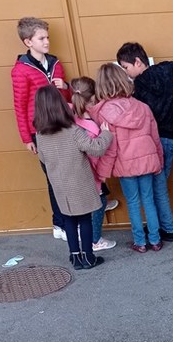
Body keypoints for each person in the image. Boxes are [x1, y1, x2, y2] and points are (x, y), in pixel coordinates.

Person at [33, 86, 113, 270]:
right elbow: (95, 148)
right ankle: (88, 257)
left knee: (68, 220)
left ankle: (75, 257)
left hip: (59, 185)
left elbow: (43, 159)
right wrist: (106, 134)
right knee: (84, 219)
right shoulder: (72, 130)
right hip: (78, 182)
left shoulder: (40, 135)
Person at [91, 64, 164, 253]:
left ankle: (140, 242)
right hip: (147, 162)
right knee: (149, 200)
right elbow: (155, 137)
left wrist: (102, 172)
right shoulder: (142, 107)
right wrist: (159, 161)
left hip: (125, 165)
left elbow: (110, 148)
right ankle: (155, 240)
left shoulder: (104, 113)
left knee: (133, 203)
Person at [11, 16, 71, 241]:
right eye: (41, 38)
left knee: (68, 174)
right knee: (54, 178)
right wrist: (27, 138)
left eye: (47, 37)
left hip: (63, 126)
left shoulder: (55, 63)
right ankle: (60, 224)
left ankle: (70, 220)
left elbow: (66, 98)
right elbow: (19, 105)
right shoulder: (21, 70)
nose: (47, 42)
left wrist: (65, 86)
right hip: (41, 132)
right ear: (28, 42)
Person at [116, 42, 173, 242]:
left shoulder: (138, 87)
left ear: (137, 62)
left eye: (125, 67)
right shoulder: (166, 73)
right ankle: (164, 227)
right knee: (159, 187)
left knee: (155, 190)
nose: (126, 73)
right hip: (171, 137)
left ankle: (166, 229)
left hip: (153, 140)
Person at [69, 77, 117, 252]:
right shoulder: (92, 127)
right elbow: (96, 153)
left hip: (78, 171)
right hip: (91, 173)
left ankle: (88, 235)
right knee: (99, 202)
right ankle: (95, 240)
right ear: (93, 98)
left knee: (92, 203)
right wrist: (105, 134)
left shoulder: (71, 117)